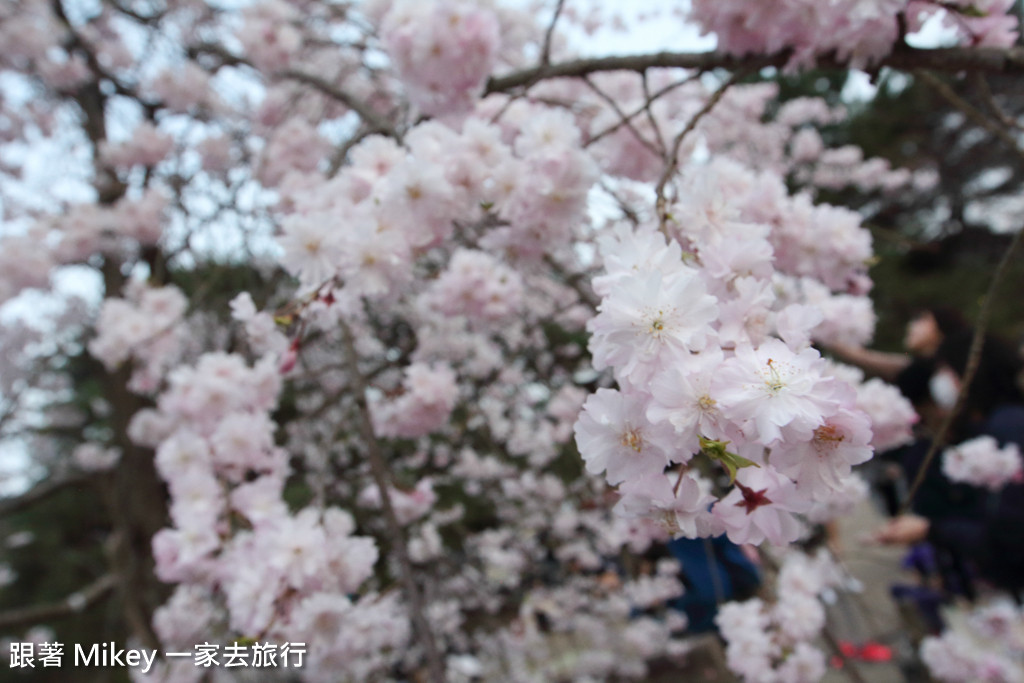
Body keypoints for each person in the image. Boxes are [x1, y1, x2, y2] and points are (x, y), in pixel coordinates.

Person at [875, 329, 1024, 600]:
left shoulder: (1006, 427)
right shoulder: (997, 427)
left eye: (945, 370)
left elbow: (1008, 535)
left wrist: (933, 530)